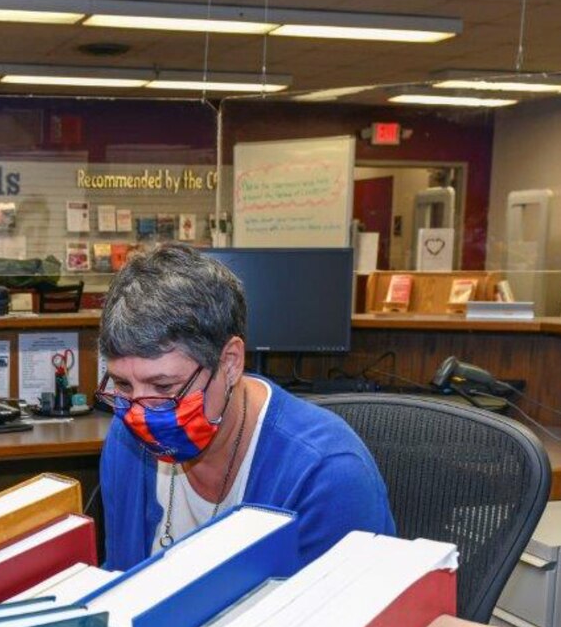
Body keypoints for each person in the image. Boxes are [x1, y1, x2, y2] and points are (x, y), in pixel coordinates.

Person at [98, 244, 394, 569]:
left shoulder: (328, 475)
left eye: (164, 387)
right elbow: (120, 582)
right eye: (123, 385)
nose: (139, 415)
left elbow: (340, 617)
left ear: (229, 362)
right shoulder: (126, 441)